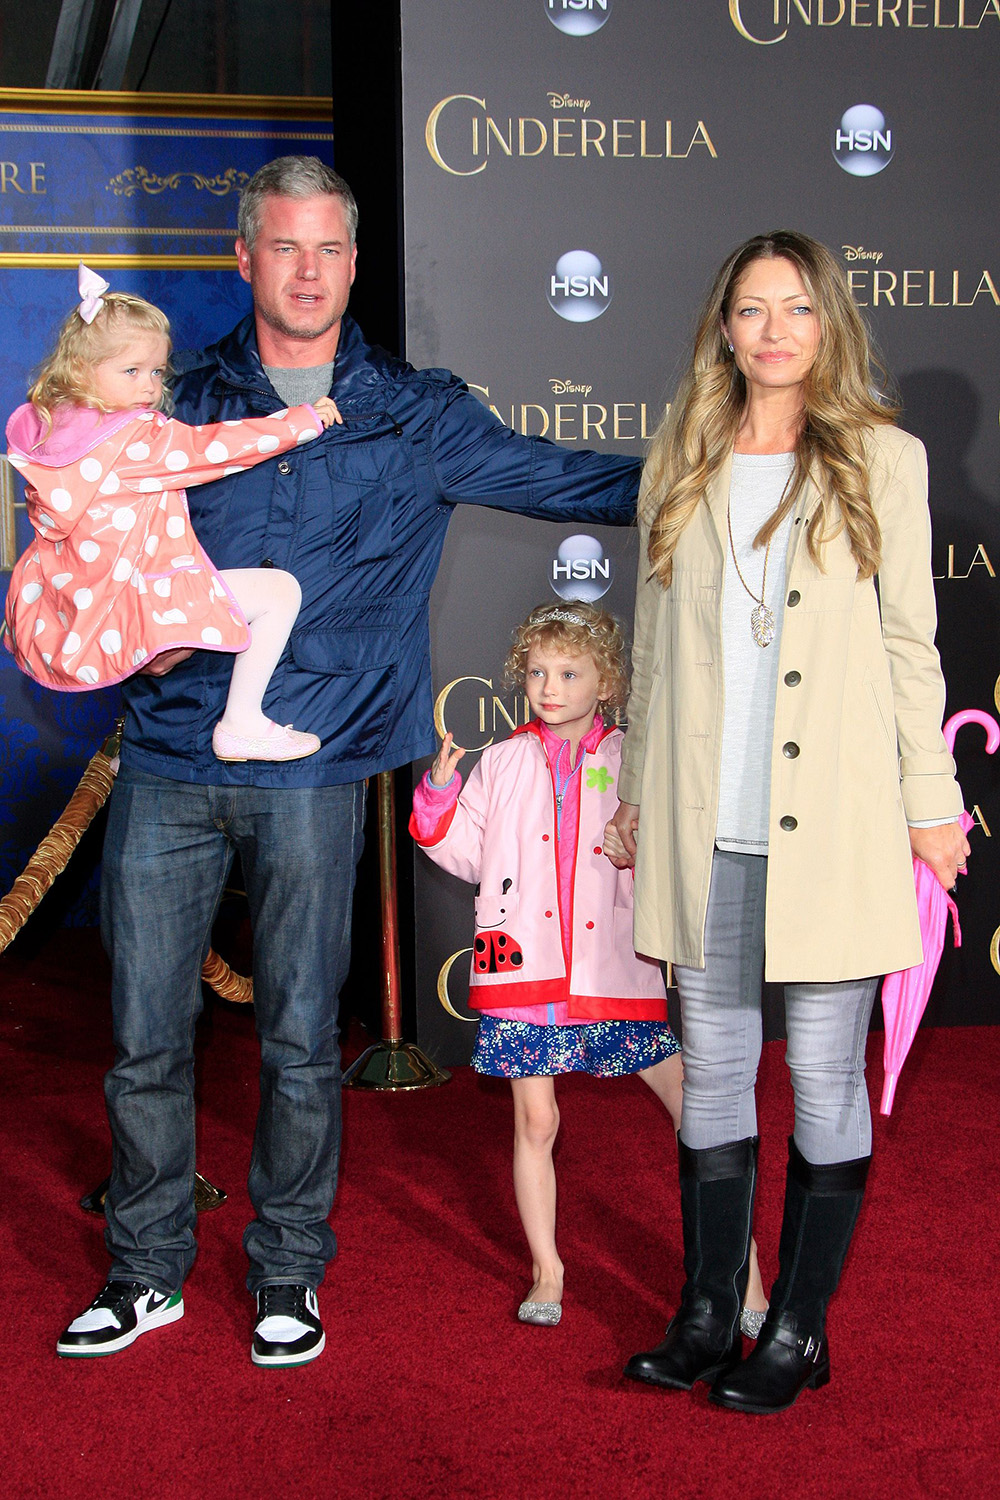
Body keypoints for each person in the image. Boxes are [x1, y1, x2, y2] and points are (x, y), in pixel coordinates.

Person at [56, 156, 643, 1367]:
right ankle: (146, 1269)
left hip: (315, 771)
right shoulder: (169, 398)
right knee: (144, 1038)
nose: (308, 270)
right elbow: (76, 522)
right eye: (284, 246)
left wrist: (739, 475)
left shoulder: (414, 411)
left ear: (355, 262)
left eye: (328, 248)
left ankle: (287, 1273)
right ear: (244, 258)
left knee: (298, 1045)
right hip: (168, 756)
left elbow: (566, 475)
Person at [605, 231, 968, 1414]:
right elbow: (651, 645)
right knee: (713, 1066)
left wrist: (931, 802)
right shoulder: (682, 457)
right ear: (723, 327)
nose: (774, 331)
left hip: (837, 819)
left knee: (819, 1069)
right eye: (753, 309)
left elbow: (909, 644)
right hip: (705, 820)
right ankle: (710, 1312)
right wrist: (633, 792)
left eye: (797, 308)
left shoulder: (884, 458)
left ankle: (799, 1331)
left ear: (828, 324)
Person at [410, 601, 683, 1326]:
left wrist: (638, 851)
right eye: (537, 673)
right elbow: (465, 853)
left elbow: (668, 856)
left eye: (569, 673)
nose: (550, 687)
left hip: (611, 969)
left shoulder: (632, 760)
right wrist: (437, 796)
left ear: (607, 683)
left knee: (695, 1109)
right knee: (535, 1122)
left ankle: (736, 1268)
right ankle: (547, 1271)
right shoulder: (501, 761)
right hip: (523, 975)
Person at [4, 270, 341, 763]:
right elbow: (214, 448)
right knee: (280, 592)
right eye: (131, 371)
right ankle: (242, 722)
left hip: (81, 610)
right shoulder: (132, 439)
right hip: (139, 604)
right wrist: (300, 421)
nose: (149, 387)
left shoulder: (54, 436)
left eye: (157, 372)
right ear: (81, 369)